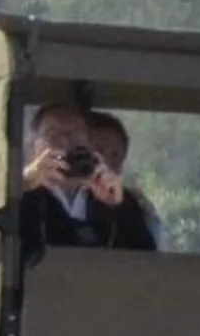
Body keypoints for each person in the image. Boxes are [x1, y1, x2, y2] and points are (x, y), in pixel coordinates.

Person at [19, 102, 159, 260]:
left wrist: (118, 209)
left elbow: (146, 259)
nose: (66, 142)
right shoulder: (20, 194)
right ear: (33, 148)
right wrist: (24, 184)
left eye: (76, 133)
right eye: (53, 134)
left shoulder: (115, 197)